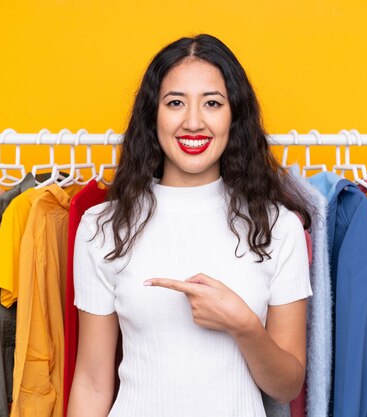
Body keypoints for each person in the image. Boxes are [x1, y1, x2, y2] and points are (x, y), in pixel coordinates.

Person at [68, 33, 314, 417]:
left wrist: (243, 325)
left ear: (235, 116)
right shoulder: (103, 226)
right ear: (154, 115)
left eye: (212, 103)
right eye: (175, 103)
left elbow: (286, 387)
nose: (194, 122)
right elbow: (92, 381)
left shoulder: (278, 227)